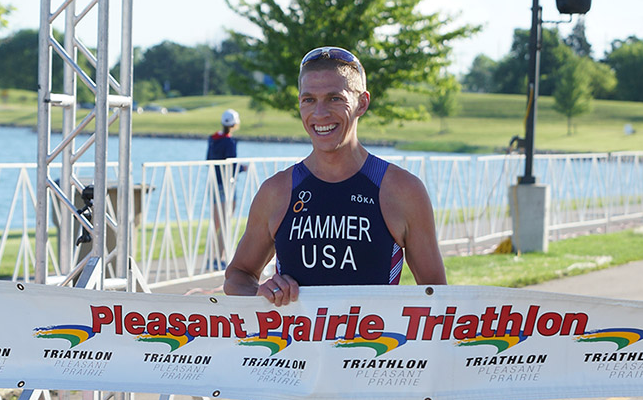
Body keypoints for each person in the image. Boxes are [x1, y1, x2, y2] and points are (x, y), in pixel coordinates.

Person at [223, 46, 446, 305]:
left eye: (334, 98)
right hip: (294, 345)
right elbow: (237, 276)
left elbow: (438, 299)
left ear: (362, 103)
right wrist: (260, 293)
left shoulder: (402, 190)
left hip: (375, 344)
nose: (320, 114)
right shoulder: (277, 191)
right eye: (309, 100)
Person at [206, 109, 244, 266]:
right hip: (226, 185)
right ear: (235, 124)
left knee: (216, 222)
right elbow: (232, 164)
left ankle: (210, 258)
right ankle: (218, 258)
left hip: (214, 182)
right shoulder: (229, 142)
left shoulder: (213, 139)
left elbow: (208, 159)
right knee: (224, 221)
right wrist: (243, 168)